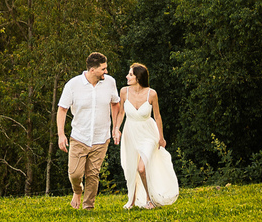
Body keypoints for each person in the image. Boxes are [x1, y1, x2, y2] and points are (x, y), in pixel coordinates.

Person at [56, 52, 120, 210]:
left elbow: (115, 103)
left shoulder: (110, 82)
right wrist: (61, 134)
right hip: (79, 137)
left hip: (101, 137)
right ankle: (77, 190)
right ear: (92, 70)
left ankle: (88, 207)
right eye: (103, 69)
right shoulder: (73, 85)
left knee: (93, 174)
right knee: (75, 174)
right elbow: (62, 109)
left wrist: (115, 127)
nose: (106, 71)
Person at [115, 62, 179, 209]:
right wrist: (117, 129)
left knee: (141, 168)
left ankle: (150, 199)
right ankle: (132, 198)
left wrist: (161, 137)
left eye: (130, 74)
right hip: (130, 133)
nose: (127, 76)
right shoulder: (124, 92)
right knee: (131, 167)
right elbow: (121, 113)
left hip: (148, 134)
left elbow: (157, 116)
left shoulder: (152, 94)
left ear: (138, 77)